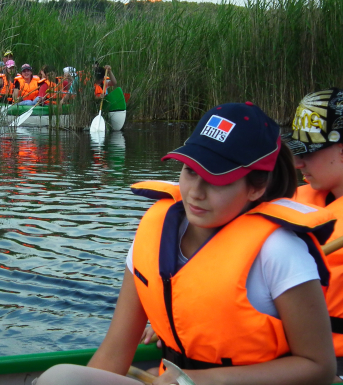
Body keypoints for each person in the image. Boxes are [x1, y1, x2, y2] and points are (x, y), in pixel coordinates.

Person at [35, 102, 336, 385]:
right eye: (191, 171)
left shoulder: (279, 250)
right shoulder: (154, 231)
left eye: (218, 179)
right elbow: (114, 353)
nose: (196, 192)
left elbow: (319, 367)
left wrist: (203, 381)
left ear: (257, 187)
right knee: (60, 378)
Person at [284, 88, 343, 382]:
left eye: (311, 152)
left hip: (333, 360)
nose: (297, 164)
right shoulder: (295, 200)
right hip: (282, 348)